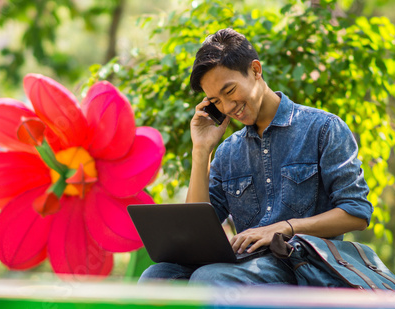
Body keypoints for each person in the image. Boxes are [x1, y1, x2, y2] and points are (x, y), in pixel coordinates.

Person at [139, 28, 373, 286]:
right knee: (156, 276)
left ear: (256, 70)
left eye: (230, 92)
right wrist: (201, 150)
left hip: (303, 267)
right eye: (215, 101)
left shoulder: (323, 128)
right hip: (245, 265)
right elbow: (196, 235)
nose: (227, 108)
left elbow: (357, 213)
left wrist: (284, 227)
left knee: (209, 278)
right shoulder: (228, 152)